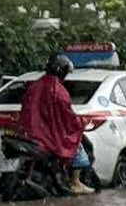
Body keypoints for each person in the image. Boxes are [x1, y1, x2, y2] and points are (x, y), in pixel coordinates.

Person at [17, 53, 95, 195]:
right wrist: (80, 123)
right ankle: (75, 182)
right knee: (77, 147)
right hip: (47, 136)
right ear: (63, 71)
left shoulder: (34, 87)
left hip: (29, 134)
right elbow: (67, 116)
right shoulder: (58, 91)